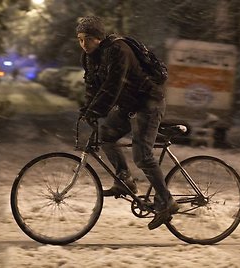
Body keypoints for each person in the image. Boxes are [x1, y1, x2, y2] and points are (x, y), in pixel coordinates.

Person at [76, 15, 178, 230]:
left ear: (98, 37)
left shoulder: (118, 50)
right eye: (79, 39)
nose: (83, 44)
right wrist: (87, 109)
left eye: (87, 39)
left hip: (149, 102)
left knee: (142, 154)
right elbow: (93, 87)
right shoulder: (90, 57)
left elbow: (114, 86)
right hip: (130, 104)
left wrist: (97, 110)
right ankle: (124, 179)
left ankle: (166, 201)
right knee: (106, 136)